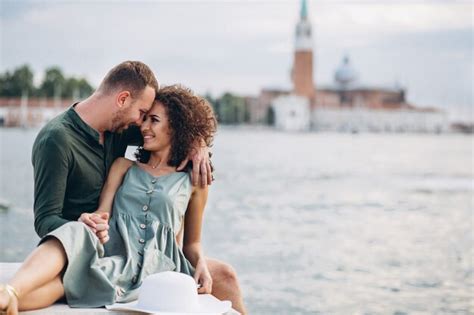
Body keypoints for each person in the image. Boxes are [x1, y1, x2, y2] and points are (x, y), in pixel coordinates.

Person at [0, 61, 246, 313]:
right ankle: (7, 294)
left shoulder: (123, 130)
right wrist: (88, 225)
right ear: (123, 99)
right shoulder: (58, 140)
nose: (142, 125)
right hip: (94, 244)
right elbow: (46, 219)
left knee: (225, 276)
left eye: (149, 118)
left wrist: (198, 143)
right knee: (75, 244)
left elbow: (176, 126)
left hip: (157, 258)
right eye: (142, 113)